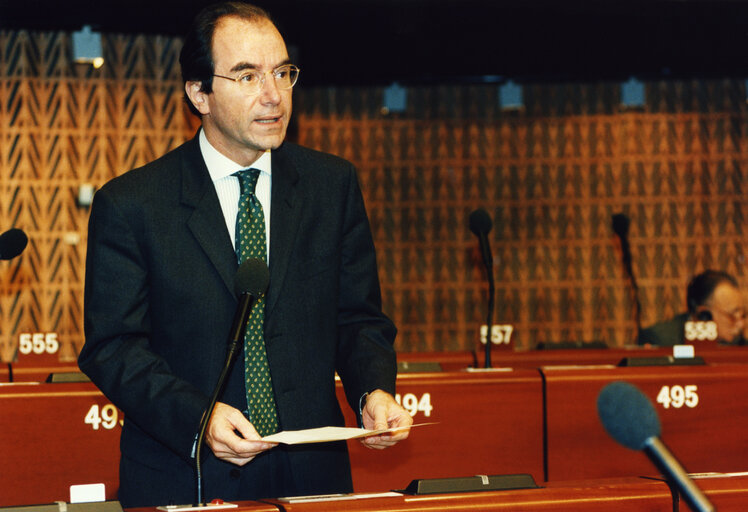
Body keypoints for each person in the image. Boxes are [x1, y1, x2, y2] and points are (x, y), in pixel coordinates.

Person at [78, 2, 412, 507]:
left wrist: (373, 391)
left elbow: (357, 317)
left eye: (282, 72)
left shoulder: (331, 185)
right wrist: (200, 416)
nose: (274, 95)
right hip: (188, 473)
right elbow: (113, 347)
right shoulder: (132, 205)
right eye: (248, 75)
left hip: (312, 474)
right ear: (199, 93)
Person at [638, 269, 746, 346]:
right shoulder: (662, 340)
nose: (741, 324)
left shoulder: (741, 344)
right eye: (733, 316)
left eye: (744, 315)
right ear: (704, 315)